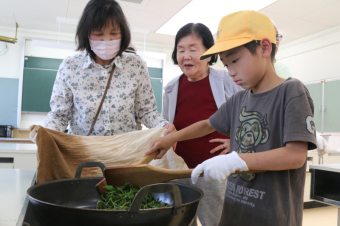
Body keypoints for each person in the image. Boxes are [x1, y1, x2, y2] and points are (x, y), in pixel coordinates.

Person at [145, 10, 317, 226]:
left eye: (235, 61)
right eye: (227, 65)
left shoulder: (291, 92)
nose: (231, 72)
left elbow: (295, 155)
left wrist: (234, 161)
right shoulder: (239, 99)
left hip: (272, 215)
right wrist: (170, 139)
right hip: (235, 210)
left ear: (265, 47)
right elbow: (208, 124)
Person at [43, 0, 174, 136]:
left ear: (123, 33)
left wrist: (163, 126)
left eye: (114, 33)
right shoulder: (70, 66)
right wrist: (45, 133)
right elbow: (59, 115)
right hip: (82, 151)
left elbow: (147, 111)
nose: (107, 40)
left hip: (124, 150)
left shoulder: (136, 65)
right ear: (86, 34)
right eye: (99, 34)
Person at [162, 23, 242, 226]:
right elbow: (167, 125)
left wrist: (236, 142)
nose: (186, 56)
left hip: (214, 171)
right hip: (179, 172)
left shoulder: (227, 80)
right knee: (181, 222)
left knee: (215, 222)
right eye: (181, 50)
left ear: (209, 53)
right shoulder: (171, 88)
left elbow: (247, 116)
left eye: (193, 49)